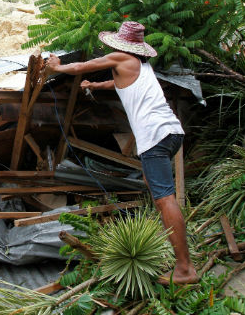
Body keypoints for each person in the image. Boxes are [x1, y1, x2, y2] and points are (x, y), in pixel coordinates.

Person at [46, 21, 199, 285]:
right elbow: (116, 85)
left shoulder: (120, 57)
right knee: (160, 193)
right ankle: (181, 259)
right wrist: (95, 86)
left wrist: (57, 67)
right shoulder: (140, 66)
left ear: (122, 44)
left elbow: (82, 66)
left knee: (164, 199)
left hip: (155, 136)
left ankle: (185, 268)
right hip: (171, 133)